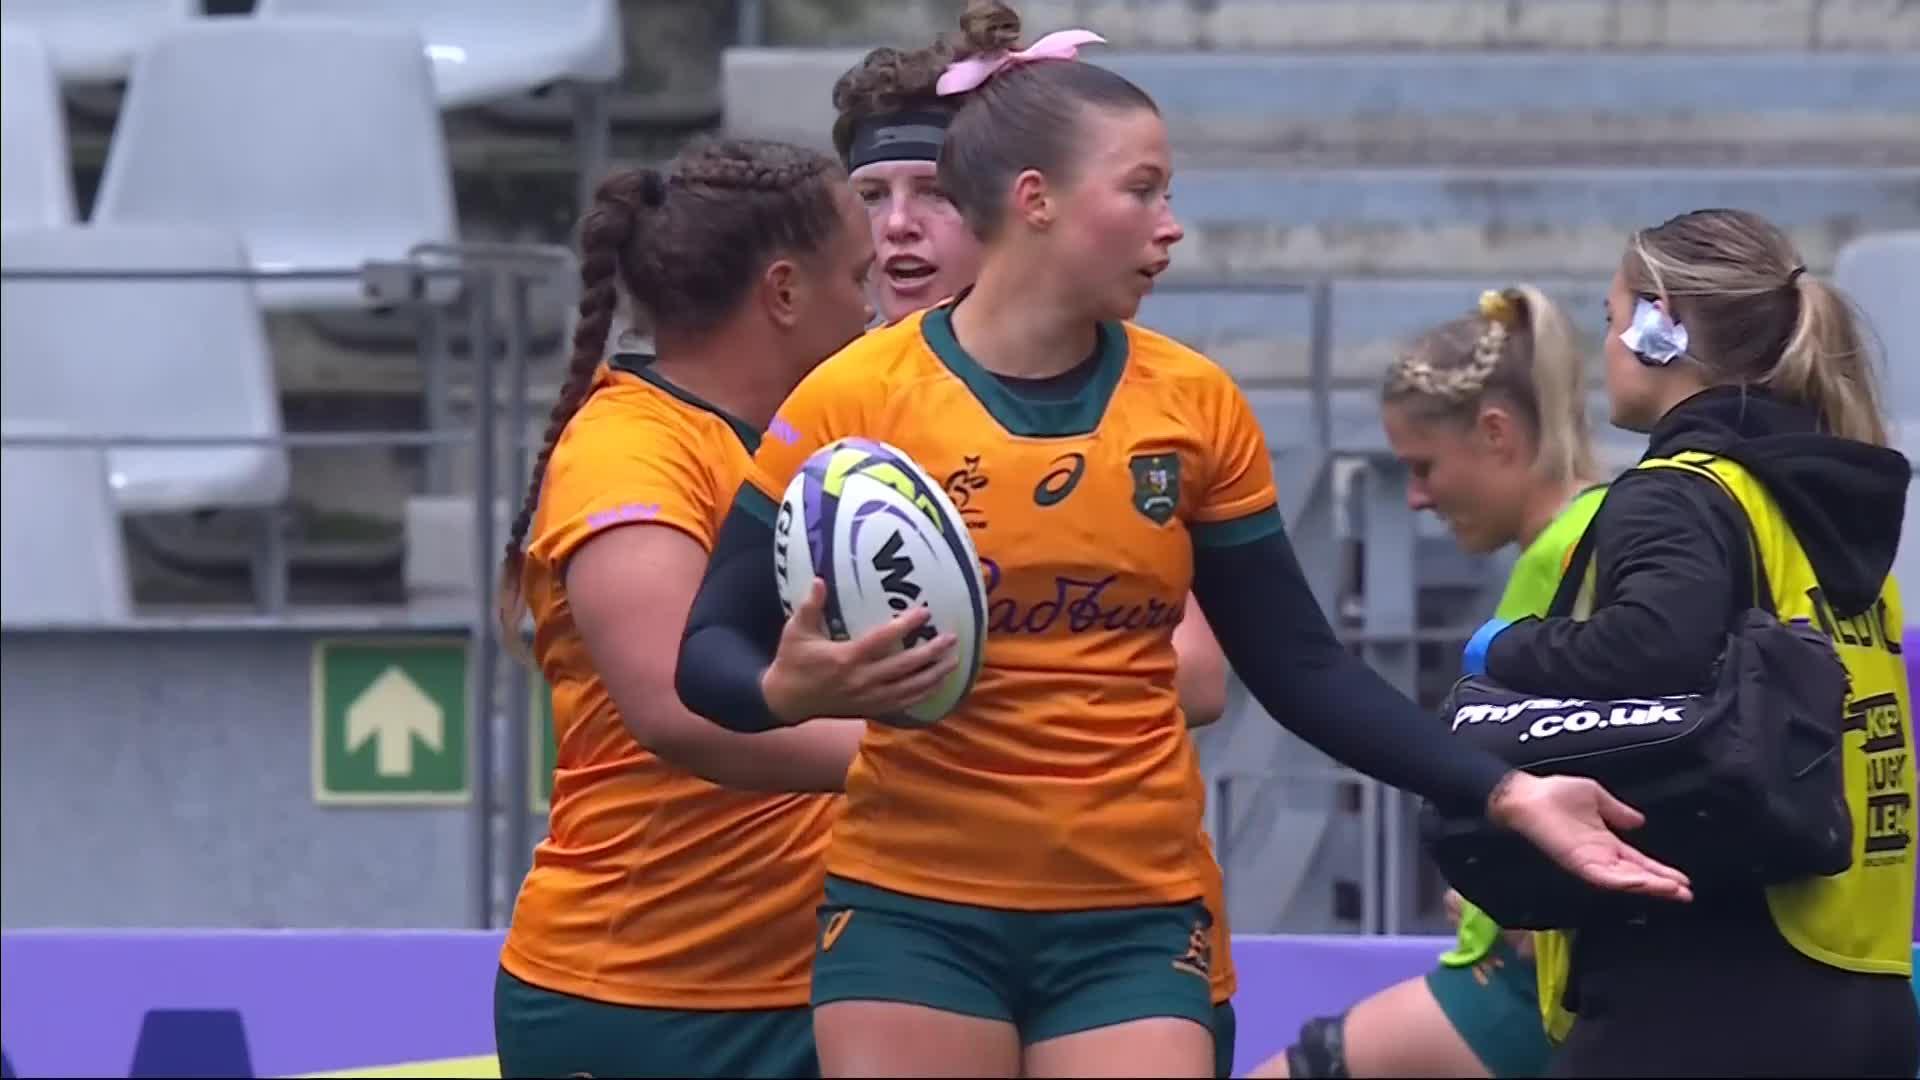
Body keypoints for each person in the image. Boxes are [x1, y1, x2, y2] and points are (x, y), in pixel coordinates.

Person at [675, 4, 1691, 1076]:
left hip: (1133, 917)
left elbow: (1301, 670)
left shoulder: (1193, 404)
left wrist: (1506, 788)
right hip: (913, 911)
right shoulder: (857, 397)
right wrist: (785, 692)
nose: (1171, 226)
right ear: (1037, 202)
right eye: (1144, 189)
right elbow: (709, 654)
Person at [828, 32, 1244, 1078]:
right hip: (876, 918)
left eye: (927, 191)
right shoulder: (829, 414)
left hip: (1113, 902)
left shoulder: (1156, 398)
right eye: (871, 196)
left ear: (1007, 204)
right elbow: (710, 673)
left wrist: (981, 690)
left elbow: (1199, 672)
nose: (899, 229)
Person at [1468, 208, 1919, 1077]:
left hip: (1707, 987)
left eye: (1611, 320)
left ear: (1658, 322)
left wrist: (1501, 651)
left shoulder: (1678, 493)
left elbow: (1650, 649)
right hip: (1863, 983)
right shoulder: (1828, 500)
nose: (1605, 350)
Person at [490, 137, 877, 1079]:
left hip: (818, 984)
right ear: (784, 292)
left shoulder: (824, 438)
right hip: (644, 998)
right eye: (857, 277)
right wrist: (953, 759)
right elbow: (675, 705)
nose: (873, 306)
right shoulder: (631, 451)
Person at [1251, 285, 1608, 1079]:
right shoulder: (1575, 547)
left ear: (1495, 433)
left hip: (1531, 987)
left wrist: (1536, 905)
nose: (1414, 497)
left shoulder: (1575, 556)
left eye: (1422, 467)